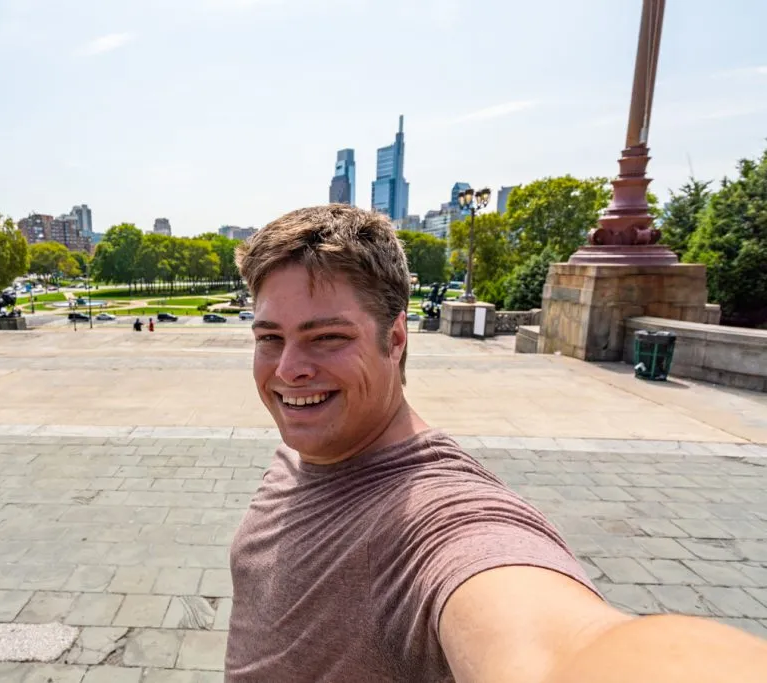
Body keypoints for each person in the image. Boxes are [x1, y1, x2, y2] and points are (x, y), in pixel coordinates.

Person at [226, 205, 767, 682]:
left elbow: (554, 644)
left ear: (395, 339)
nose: (290, 369)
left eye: (327, 338)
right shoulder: (303, 450)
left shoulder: (435, 515)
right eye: (270, 338)